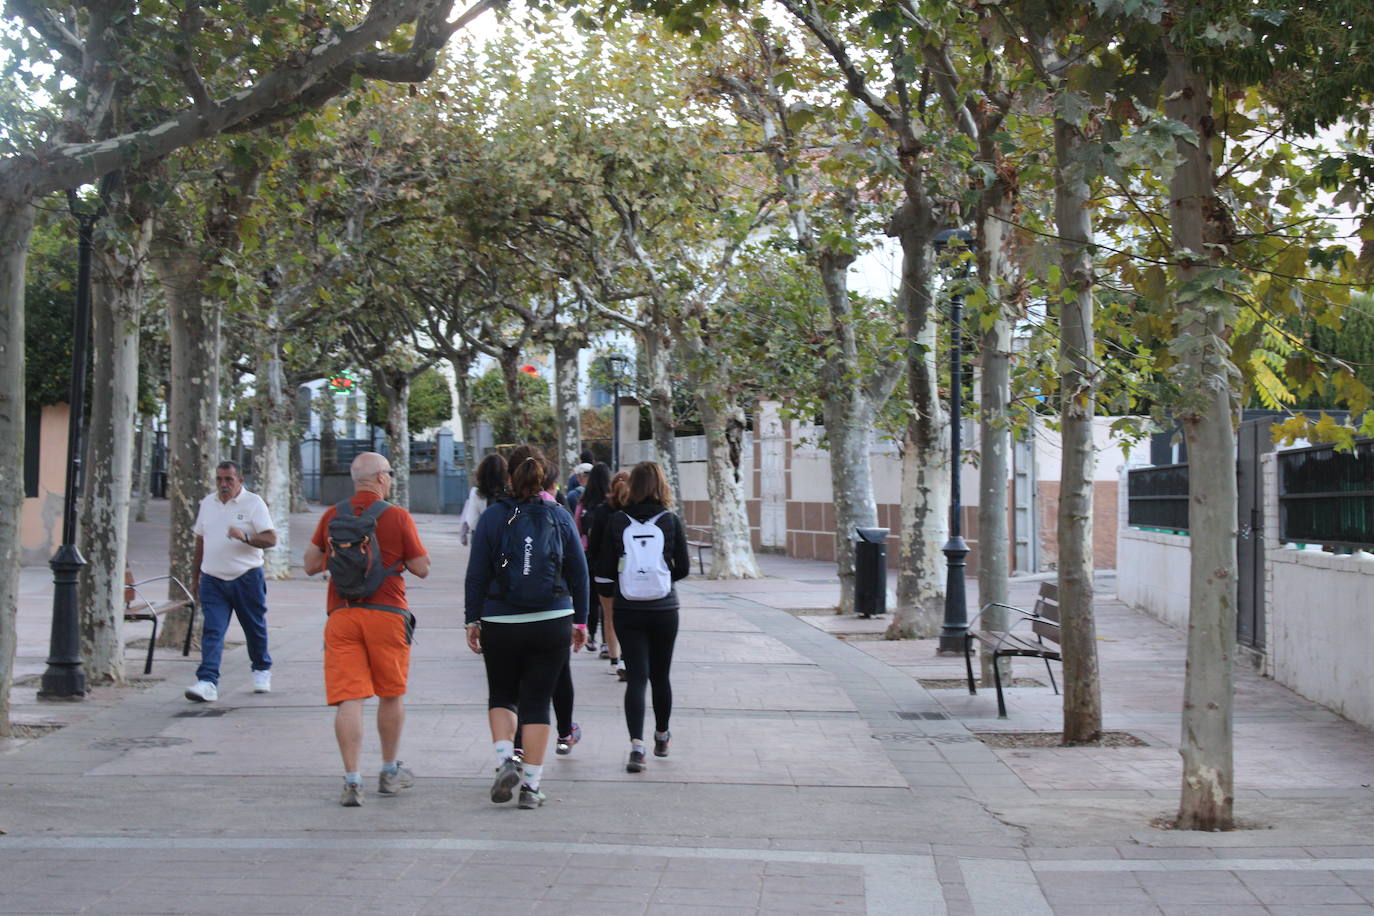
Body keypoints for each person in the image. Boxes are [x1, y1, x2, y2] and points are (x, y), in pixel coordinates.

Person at [303, 452, 430, 807]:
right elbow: (422, 568)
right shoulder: (397, 516)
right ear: (380, 479)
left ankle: (352, 780)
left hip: (342, 615)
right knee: (391, 693)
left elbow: (310, 565)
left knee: (349, 699)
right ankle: (389, 772)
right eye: (389, 473)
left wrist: (339, 556)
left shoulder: (332, 515)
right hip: (387, 613)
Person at [466, 446, 589, 809]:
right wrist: (579, 621)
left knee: (502, 694)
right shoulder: (560, 515)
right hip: (552, 619)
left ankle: (506, 758)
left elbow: (476, 574)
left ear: (509, 477)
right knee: (537, 704)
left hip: (500, 619)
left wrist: (473, 619)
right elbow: (579, 574)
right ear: (545, 479)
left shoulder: (492, 517)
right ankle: (531, 788)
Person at [594, 461, 690, 773]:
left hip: (627, 609)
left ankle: (637, 748)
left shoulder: (618, 520)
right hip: (664, 609)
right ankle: (662, 735)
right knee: (661, 676)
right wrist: (661, 575)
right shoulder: (670, 521)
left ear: (633, 486)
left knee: (637, 678)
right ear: (662, 485)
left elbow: (606, 569)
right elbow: (684, 568)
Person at [185, 461, 278, 703]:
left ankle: (261, 669)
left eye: (229, 479)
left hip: (246, 577)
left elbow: (270, 539)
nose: (224, 484)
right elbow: (200, 542)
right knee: (213, 631)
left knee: (253, 627)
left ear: (240, 481)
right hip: (213, 579)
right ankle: (207, 681)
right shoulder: (207, 503)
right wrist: (195, 577)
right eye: (219, 479)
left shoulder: (253, 503)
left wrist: (245, 536)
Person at [586, 469, 629, 675]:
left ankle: (614, 658)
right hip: (629, 574)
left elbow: (593, 544)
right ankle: (626, 659)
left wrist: (594, 564)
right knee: (628, 616)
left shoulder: (603, 510)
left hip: (604, 572)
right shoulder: (633, 511)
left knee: (609, 616)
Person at [574, 462, 611, 653]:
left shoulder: (584, 501)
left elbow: (577, 527)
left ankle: (590, 637)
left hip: (587, 555)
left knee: (591, 599)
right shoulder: (612, 502)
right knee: (607, 599)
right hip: (609, 558)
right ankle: (607, 642)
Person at [459, 453, 508, 547]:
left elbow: (472, 522)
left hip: (482, 541)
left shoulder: (476, 492)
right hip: (505, 541)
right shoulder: (511, 492)